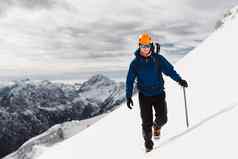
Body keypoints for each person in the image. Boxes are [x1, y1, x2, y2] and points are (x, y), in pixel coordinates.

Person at [126, 33, 188, 152]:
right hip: (144, 96)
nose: (145, 49)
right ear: (139, 46)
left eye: (147, 46)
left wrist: (179, 80)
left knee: (163, 118)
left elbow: (169, 70)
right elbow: (129, 80)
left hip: (159, 93)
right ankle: (148, 146)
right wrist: (128, 96)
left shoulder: (158, 59)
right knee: (146, 123)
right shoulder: (135, 63)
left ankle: (157, 126)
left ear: (151, 46)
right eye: (143, 46)